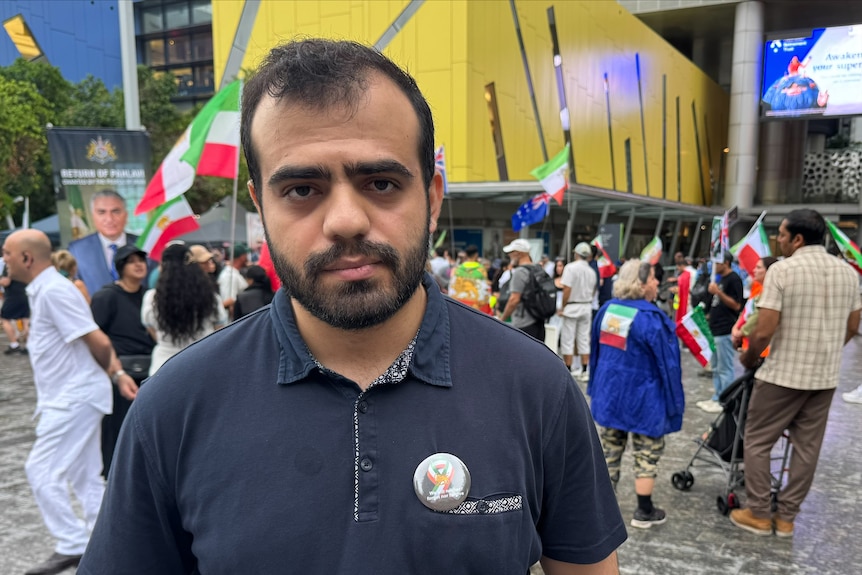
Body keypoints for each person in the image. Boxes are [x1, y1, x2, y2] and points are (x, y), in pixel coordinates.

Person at [79, 38, 625, 574]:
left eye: (381, 182)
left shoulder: (537, 388)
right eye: (301, 189)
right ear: (261, 205)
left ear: (432, 198)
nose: (345, 220)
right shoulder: (173, 408)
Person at [731, 209, 861, 538]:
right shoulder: (848, 273)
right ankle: (787, 518)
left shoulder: (783, 272)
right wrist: (830, 348)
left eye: (783, 236)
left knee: (758, 442)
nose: (780, 241)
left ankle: (760, 513)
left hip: (781, 376)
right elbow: (853, 324)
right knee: (807, 448)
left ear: (798, 239)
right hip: (825, 378)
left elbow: (764, 330)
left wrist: (748, 358)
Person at [2, 229, 122, 575]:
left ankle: (72, 544)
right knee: (85, 477)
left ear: (27, 258)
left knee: (40, 470)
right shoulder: (44, 290)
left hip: (75, 397)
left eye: (7, 253)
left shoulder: (54, 291)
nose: (4, 259)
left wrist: (114, 374)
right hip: (72, 395)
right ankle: (105, 542)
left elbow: (96, 340)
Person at [589, 260, 684, 529]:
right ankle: (644, 511)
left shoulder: (608, 311)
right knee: (647, 454)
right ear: (641, 283)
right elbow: (669, 365)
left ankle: (602, 513)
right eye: (653, 278)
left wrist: (596, 389)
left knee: (608, 453)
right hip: (646, 400)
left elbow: (597, 355)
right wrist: (674, 402)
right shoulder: (652, 318)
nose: (657, 283)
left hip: (610, 397)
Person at [90, 245, 155, 476]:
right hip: (118, 372)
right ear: (120, 267)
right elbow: (97, 337)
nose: (139, 264)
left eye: (141, 260)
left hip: (150, 369)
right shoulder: (106, 296)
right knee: (117, 429)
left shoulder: (149, 295)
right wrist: (113, 370)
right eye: (131, 261)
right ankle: (114, 475)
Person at [142, 242, 228, 376]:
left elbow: (151, 329)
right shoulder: (210, 297)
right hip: (203, 364)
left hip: (163, 368)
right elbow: (221, 330)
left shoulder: (151, 298)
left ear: (162, 268)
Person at [68, 189, 140, 296]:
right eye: (102, 212)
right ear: (93, 216)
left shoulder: (143, 245)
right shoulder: (77, 251)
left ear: (126, 215)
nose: (109, 219)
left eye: (116, 212)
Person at [696, 252, 743, 413]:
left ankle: (727, 399)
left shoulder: (734, 279)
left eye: (718, 262)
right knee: (716, 367)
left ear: (727, 263)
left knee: (725, 367)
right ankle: (717, 396)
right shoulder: (720, 279)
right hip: (715, 329)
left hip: (725, 329)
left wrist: (719, 293)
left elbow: (737, 305)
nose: (715, 266)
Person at [560, 242, 598, 381]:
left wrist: (562, 306)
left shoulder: (570, 268)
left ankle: (568, 369)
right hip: (586, 305)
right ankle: (584, 369)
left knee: (568, 338)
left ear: (576, 254)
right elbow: (593, 291)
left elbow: (567, 289)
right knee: (583, 338)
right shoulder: (591, 271)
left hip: (572, 305)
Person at [498, 238, 547, 342]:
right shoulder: (538, 269)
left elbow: (514, 300)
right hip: (539, 321)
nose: (509, 256)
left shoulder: (520, 272)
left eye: (511, 253)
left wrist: (502, 319)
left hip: (523, 323)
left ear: (518, 253)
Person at [731, 257, 778, 352]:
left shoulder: (771, 293)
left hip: (762, 350)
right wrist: (735, 328)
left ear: (769, 271)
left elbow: (757, 315)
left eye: (758, 267)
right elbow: (746, 312)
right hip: (748, 346)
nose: (754, 270)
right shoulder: (756, 289)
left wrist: (741, 332)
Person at [448, 243, 491, 313]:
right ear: (476, 255)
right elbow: (484, 287)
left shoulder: (458, 268)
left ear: (466, 255)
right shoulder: (481, 269)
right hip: (475, 305)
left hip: (460, 303)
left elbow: (452, 286)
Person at [1, 264, 30, 355]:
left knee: (4, 319)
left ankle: (14, 345)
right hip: (26, 294)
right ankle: (29, 346)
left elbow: (6, 282)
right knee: (26, 320)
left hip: (13, 296)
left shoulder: (10, 265)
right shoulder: (26, 262)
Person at [217, 242, 249, 318]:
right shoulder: (229, 275)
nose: (247, 257)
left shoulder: (235, 273)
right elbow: (228, 302)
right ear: (242, 257)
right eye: (246, 255)